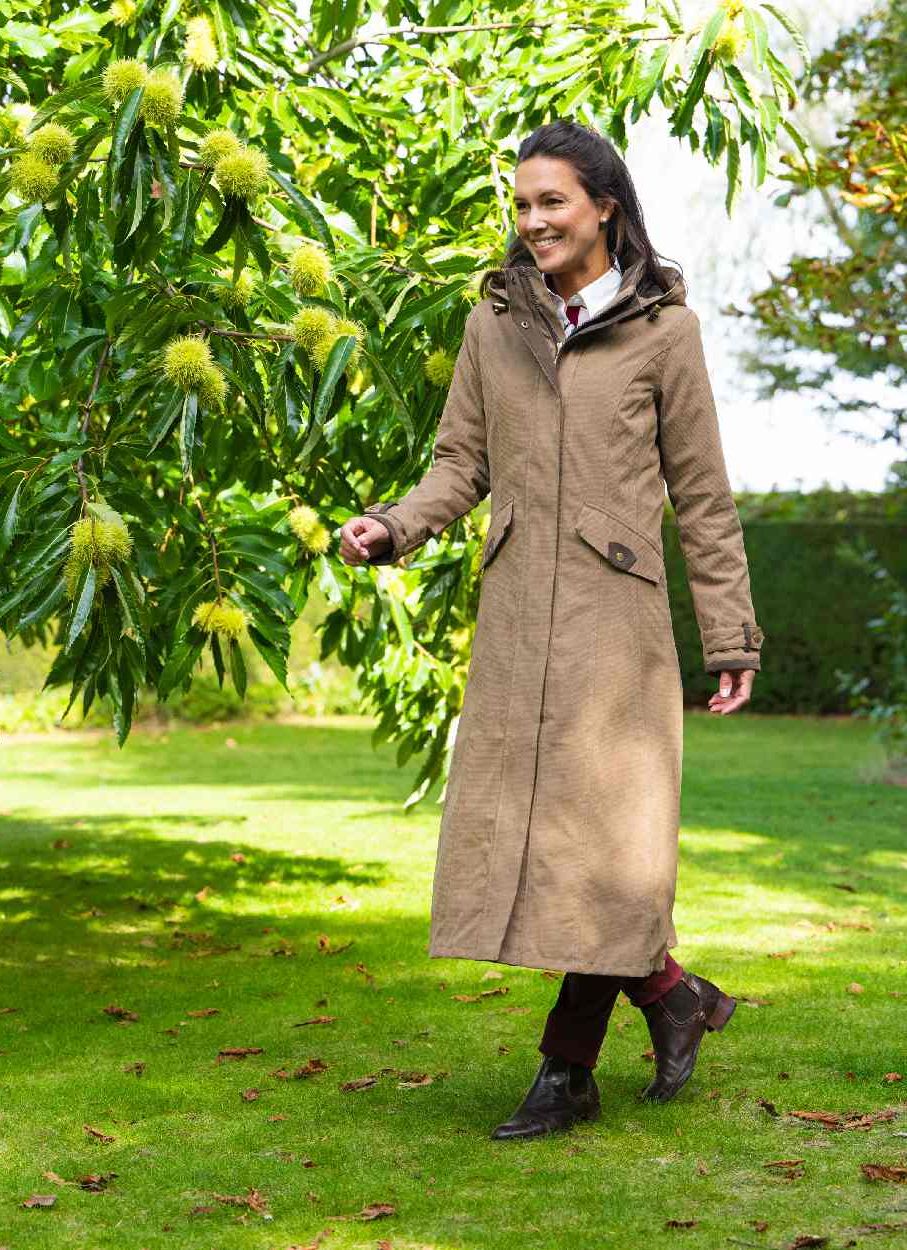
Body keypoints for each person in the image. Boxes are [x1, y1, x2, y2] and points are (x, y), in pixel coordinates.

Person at [338, 120, 764, 1141]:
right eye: (520, 204)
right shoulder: (495, 325)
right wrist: (393, 527)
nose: (530, 222)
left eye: (551, 202)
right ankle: (670, 994)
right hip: (520, 617)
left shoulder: (667, 330)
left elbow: (701, 496)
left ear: (604, 206)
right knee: (559, 850)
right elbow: (459, 463)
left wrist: (730, 635)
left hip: (616, 632)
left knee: (605, 848)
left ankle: (565, 1070)